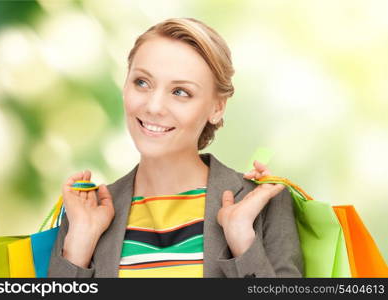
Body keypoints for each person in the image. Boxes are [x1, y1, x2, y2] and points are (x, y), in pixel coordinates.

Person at [48, 17, 303, 278]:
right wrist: (78, 249)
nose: (154, 106)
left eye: (180, 92)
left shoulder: (262, 204)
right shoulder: (87, 214)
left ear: (217, 107)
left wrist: (243, 242)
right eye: (142, 82)